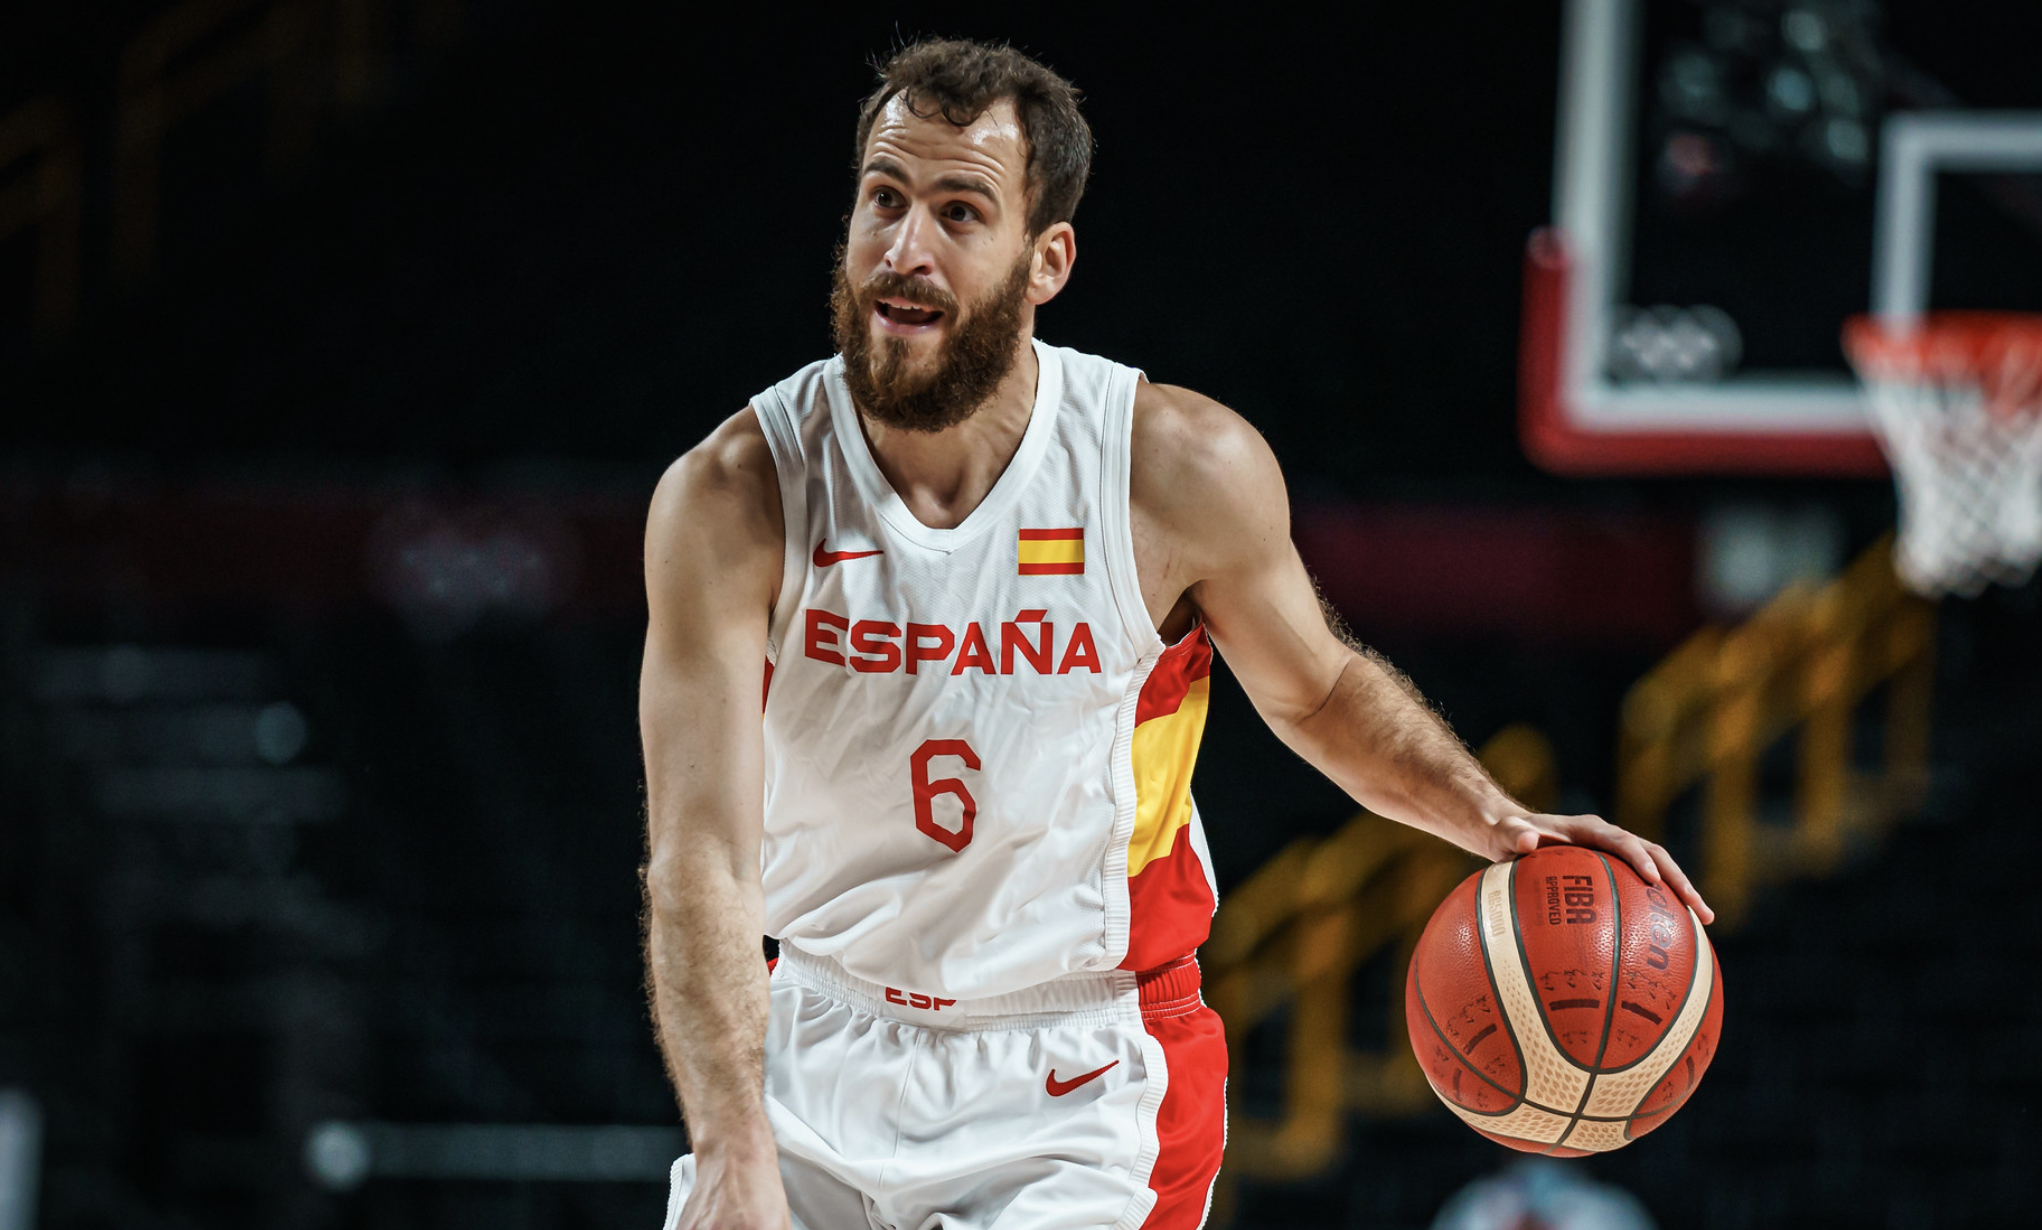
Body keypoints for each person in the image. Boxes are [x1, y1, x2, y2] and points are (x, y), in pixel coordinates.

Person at [638, 38, 1713, 1230]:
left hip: (1074, 1073)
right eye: (883, 200)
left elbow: (1312, 692)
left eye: (958, 212)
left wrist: (1491, 817)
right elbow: (700, 860)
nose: (906, 248)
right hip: (814, 1039)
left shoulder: (1164, 467)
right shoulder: (736, 494)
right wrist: (733, 1155)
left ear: (1045, 261)